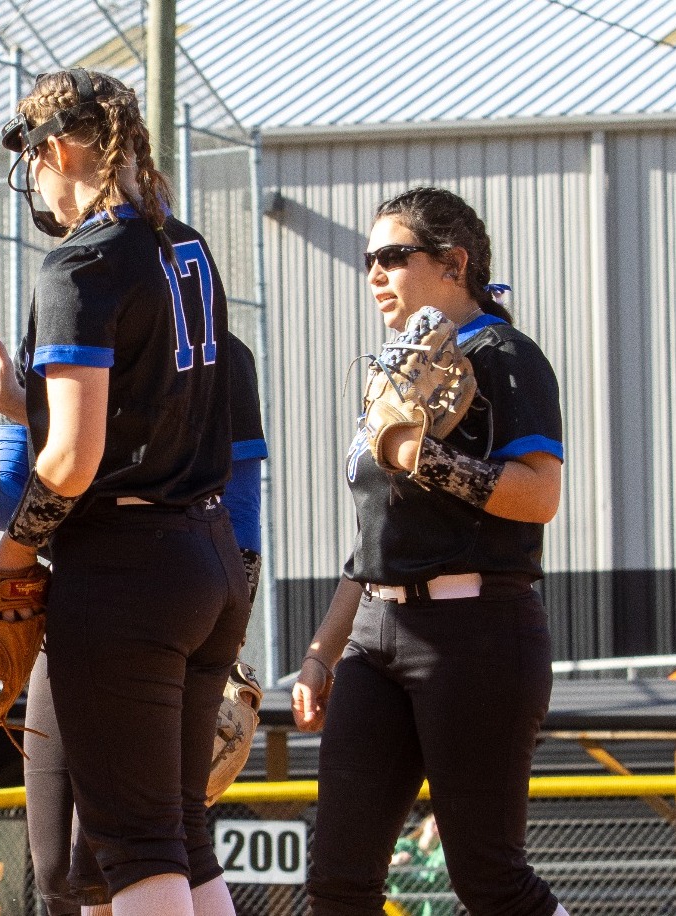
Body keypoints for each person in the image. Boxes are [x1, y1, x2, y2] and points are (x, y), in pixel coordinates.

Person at [0, 68, 251, 916]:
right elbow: (142, 416)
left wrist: (8, 555)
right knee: (178, 834)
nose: (35, 178)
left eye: (33, 155)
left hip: (127, 573)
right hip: (208, 557)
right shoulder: (187, 246)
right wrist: (18, 401)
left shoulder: (80, 264)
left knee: (133, 844)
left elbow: (73, 462)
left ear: (57, 146)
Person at [291, 186, 569, 916]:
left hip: (476, 631)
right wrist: (323, 649)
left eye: (392, 256)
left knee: (489, 882)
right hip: (375, 637)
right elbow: (375, 537)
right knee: (338, 884)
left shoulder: (507, 357)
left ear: (454, 262)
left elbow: (541, 496)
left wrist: (430, 461)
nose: (375, 273)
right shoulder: (396, 371)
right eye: (368, 260)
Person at [0, 332, 266, 915]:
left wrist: (226, 638)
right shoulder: (56, 323)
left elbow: (239, 505)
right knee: (58, 866)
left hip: (164, 587)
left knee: (148, 843)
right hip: (77, 595)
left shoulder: (216, 345)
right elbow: (27, 503)